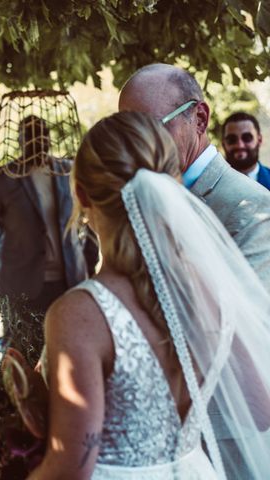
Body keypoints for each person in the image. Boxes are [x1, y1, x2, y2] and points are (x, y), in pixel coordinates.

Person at [28, 111, 270, 479]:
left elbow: (68, 472)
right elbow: (258, 407)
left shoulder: (78, 314)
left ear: (80, 193)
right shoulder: (211, 288)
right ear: (172, 184)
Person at [118, 64, 270, 478]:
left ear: (198, 118)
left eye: (148, 129)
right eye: (126, 131)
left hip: (226, 439)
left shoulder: (254, 211)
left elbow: (245, 338)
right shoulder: (133, 201)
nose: (136, 146)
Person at [0, 115, 97, 314]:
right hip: (20, 286)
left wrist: (90, 265)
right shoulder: (4, 178)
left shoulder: (68, 171)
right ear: (19, 140)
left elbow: (89, 218)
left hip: (70, 282)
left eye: (43, 134)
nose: (38, 141)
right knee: (20, 345)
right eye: (30, 135)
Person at [221, 112, 270, 189]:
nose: (240, 145)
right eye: (232, 140)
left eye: (247, 138)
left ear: (259, 140)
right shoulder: (207, 185)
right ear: (223, 144)